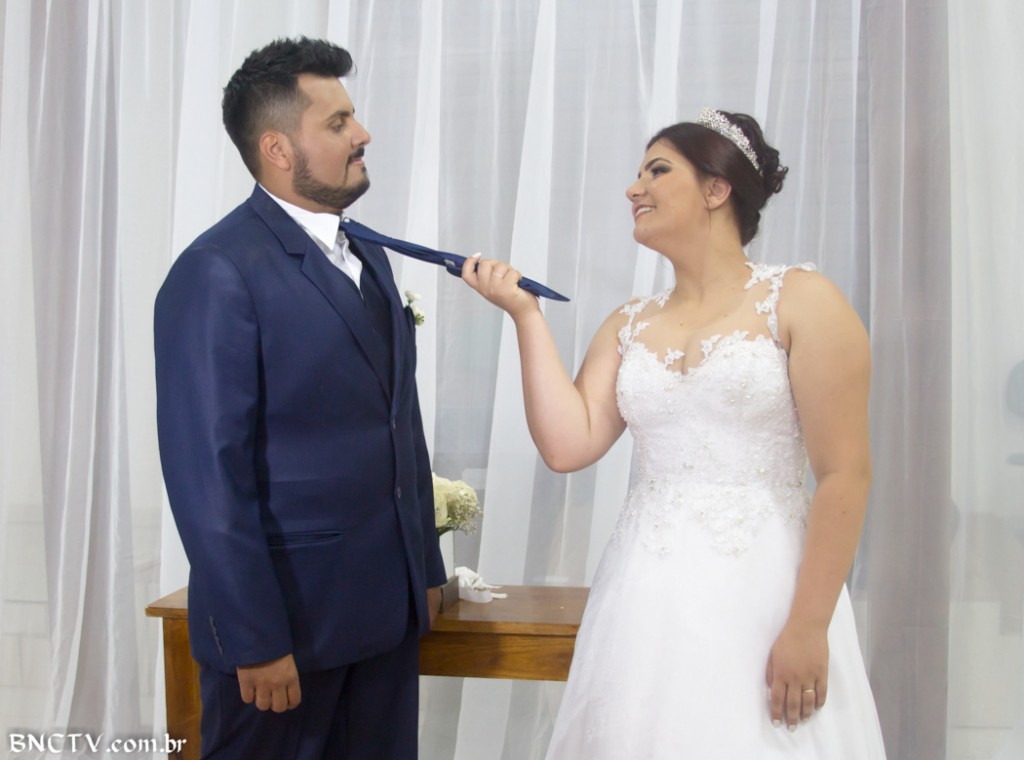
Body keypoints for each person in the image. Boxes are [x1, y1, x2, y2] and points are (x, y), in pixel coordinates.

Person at [461, 109, 887, 758]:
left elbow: (844, 474)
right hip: (644, 598)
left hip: (764, 590)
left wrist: (809, 625)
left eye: (656, 171)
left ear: (717, 188)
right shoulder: (628, 323)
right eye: (638, 174)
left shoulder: (802, 300)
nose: (634, 188)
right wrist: (525, 315)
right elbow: (566, 445)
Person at [154, 37, 445, 759]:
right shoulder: (216, 270)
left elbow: (399, 424)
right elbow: (207, 478)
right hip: (284, 631)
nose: (362, 133)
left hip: (386, 617)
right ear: (278, 148)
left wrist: (425, 569)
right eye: (338, 122)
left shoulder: (369, 254)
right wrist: (253, 637)